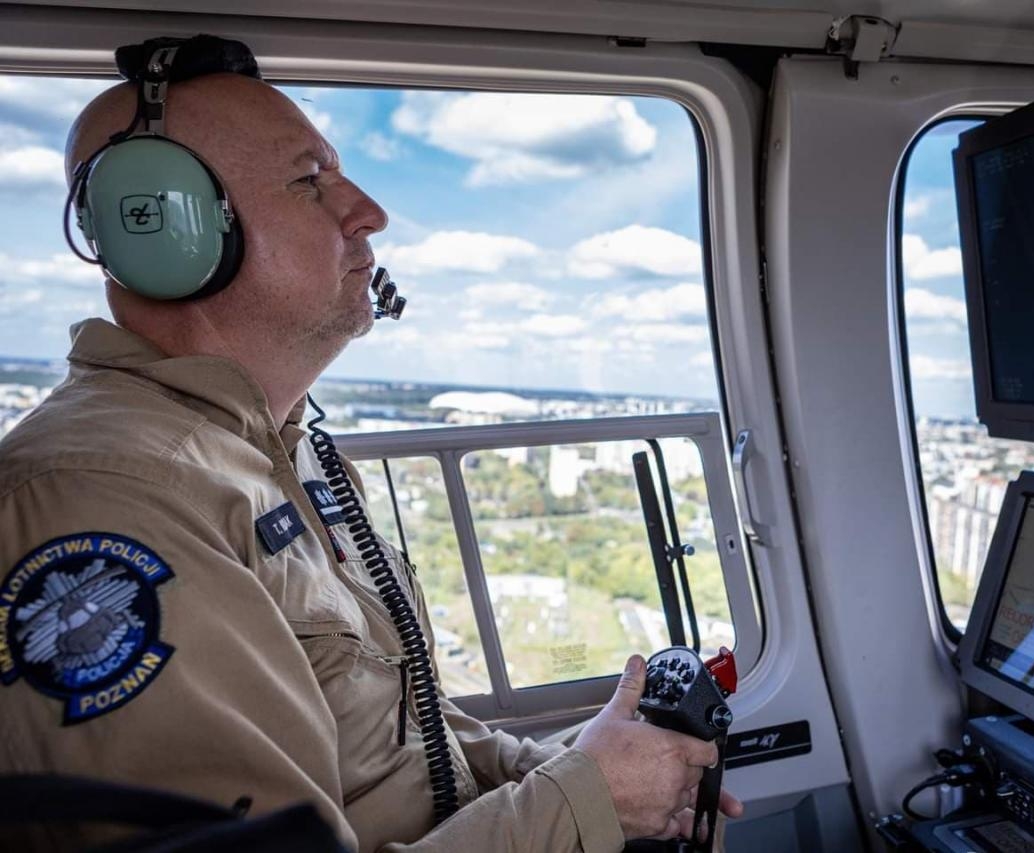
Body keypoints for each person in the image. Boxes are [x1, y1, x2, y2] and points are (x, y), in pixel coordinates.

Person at [0, 37, 742, 851]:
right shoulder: (107, 496)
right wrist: (581, 800)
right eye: (310, 181)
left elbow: (405, 731)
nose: (370, 212)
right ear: (165, 229)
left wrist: (588, 773)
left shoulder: (280, 449)